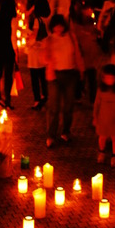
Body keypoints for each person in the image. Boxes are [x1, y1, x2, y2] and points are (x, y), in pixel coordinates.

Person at [42, 13, 84, 147]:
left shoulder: (71, 37)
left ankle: (66, 131)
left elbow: (77, 53)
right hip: (55, 76)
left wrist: (81, 69)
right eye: (56, 26)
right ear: (52, 27)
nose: (58, 29)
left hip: (70, 74)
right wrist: (48, 59)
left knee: (68, 106)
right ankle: (51, 135)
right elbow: (43, 58)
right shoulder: (49, 40)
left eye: (60, 26)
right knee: (54, 107)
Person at [93, 63, 115, 167]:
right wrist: (95, 116)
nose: (109, 80)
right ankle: (101, 152)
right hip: (103, 119)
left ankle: (114, 155)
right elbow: (97, 104)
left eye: (111, 78)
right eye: (107, 78)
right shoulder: (101, 90)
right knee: (102, 137)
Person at [25, 0, 50, 110]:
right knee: (43, 77)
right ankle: (45, 95)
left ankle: (37, 100)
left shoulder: (37, 21)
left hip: (35, 53)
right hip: (44, 50)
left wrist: (27, 39)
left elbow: (33, 36)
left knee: (35, 78)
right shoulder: (48, 19)